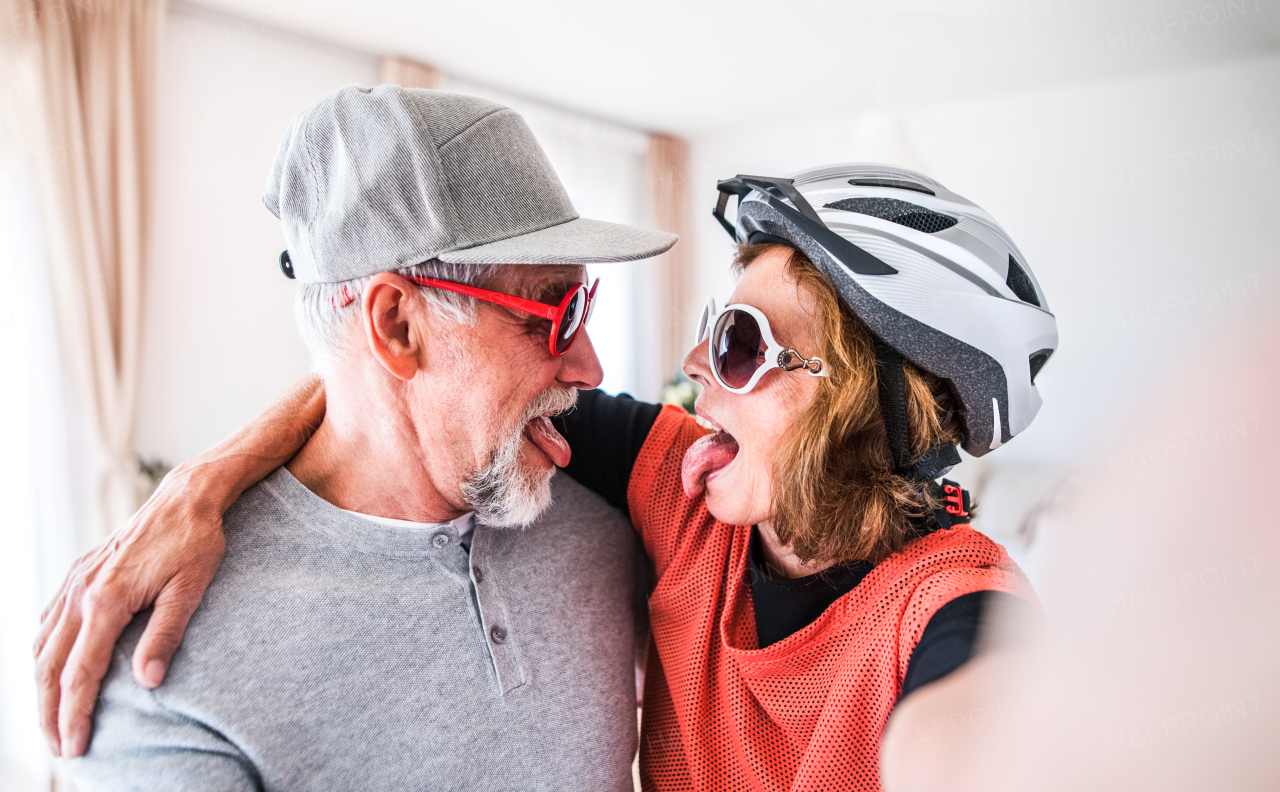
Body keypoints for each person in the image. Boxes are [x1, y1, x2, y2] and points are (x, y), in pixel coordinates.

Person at [39, 165, 1059, 791]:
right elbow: (391, 393)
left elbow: (979, 731)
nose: (690, 368)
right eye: (710, 330)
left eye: (741, 345)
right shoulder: (684, 494)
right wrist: (201, 485)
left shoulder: (950, 610)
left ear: (869, 407)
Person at [54, 84, 676, 790]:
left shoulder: (601, 518)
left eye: (585, 303)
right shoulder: (165, 670)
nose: (590, 366)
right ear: (397, 326)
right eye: (553, 312)